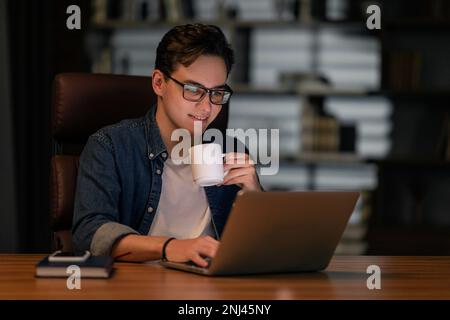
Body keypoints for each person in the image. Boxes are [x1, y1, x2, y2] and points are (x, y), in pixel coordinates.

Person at [72, 24, 263, 267]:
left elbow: (257, 250)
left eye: (217, 93)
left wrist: (254, 195)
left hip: (213, 290)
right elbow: (89, 232)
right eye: (194, 90)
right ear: (159, 83)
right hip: (137, 285)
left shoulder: (232, 151)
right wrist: (170, 247)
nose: (207, 108)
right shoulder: (110, 146)